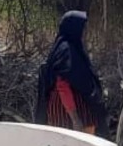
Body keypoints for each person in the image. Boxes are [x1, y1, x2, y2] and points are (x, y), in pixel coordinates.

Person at [35, 10, 110, 138]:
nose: (84, 31)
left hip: (73, 114)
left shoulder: (72, 48)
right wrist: (75, 119)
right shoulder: (66, 51)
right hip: (67, 116)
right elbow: (62, 85)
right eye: (82, 27)